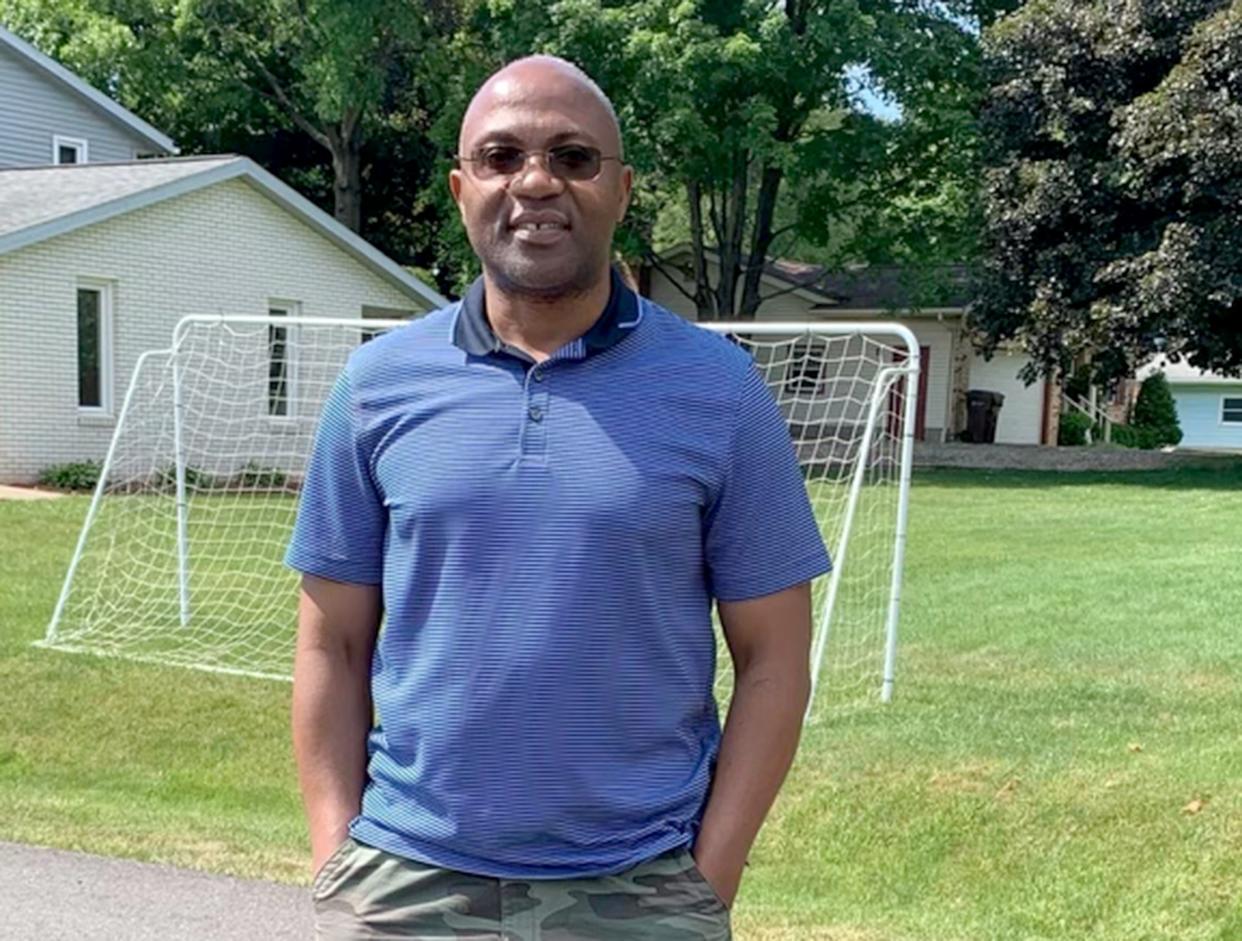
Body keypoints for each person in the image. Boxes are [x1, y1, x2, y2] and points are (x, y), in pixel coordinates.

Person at [285, 54, 830, 941]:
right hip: (404, 884)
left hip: (638, 889)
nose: (535, 181)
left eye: (572, 157)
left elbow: (774, 662)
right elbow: (331, 643)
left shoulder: (720, 391)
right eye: (502, 157)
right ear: (461, 189)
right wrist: (337, 862)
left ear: (620, 189)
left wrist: (708, 883)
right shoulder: (377, 384)